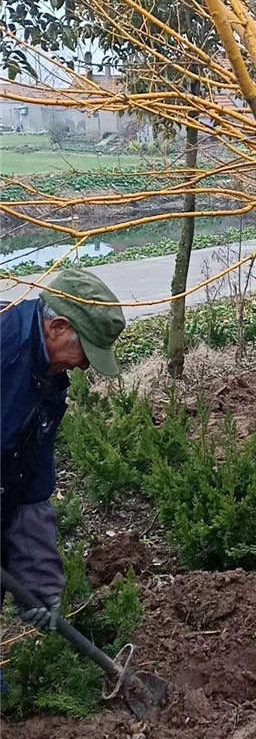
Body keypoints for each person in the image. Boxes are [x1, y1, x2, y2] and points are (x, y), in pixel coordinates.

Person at [1, 266, 125, 630]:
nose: (86, 365)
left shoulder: (48, 382)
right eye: (84, 350)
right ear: (57, 328)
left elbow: (33, 485)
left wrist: (39, 581)